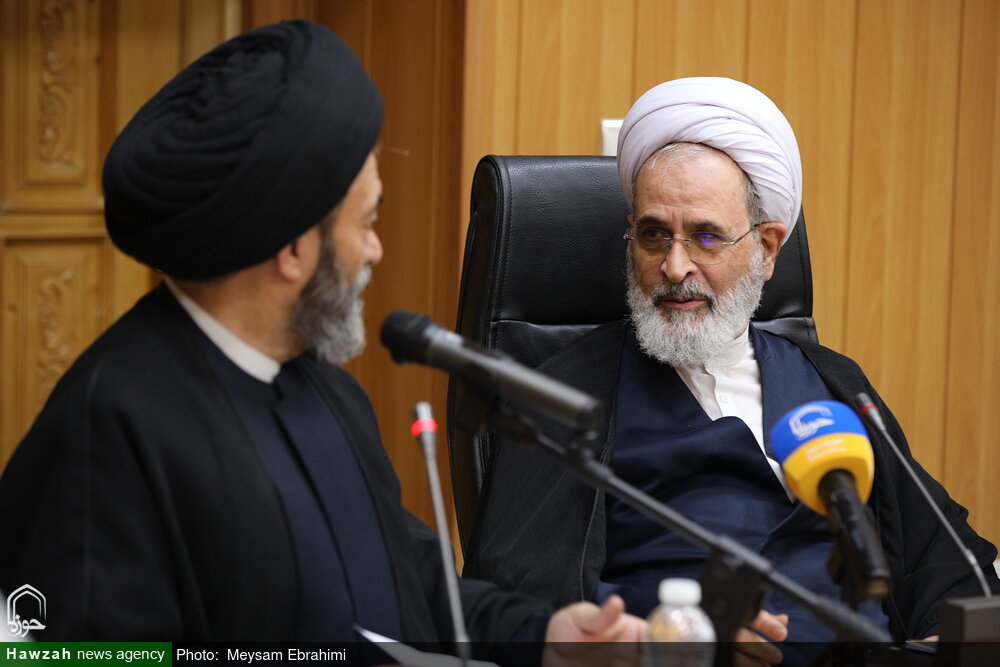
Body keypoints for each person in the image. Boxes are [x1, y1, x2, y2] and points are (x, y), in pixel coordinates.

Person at [0, 20, 658, 663]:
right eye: (366, 223)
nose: (376, 250)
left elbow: (409, 585)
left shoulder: (325, 388)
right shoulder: (103, 434)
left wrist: (541, 635)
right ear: (292, 249)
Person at [462, 77, 1000, 660]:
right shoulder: (561, 394)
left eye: (705, 237)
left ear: (766, 249)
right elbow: (519, 597)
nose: (674, 267)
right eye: (653, 235)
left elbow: (948, 560)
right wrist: (673, 634)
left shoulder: (833, 383)